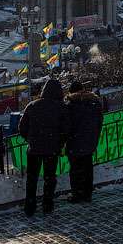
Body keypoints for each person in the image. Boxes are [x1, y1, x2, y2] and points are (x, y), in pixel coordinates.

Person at [18, 79, 71, 216]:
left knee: (32, 178)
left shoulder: (32, 105)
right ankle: (48, 205)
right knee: (49, 178)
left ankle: (29, 207)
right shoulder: (61, 107)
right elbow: (66, 129)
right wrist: (59, 143)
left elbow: (22, 127)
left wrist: (30, 140)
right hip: (51, 149)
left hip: (34, 149)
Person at [64, 82, 103, 204]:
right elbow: (99, 123)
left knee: (75, 171)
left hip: (74, 143)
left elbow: (66, 126)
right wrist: (94, 138)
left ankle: (77, 195)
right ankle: (87, 195)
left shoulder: (70, 105)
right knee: (87, 170)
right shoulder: (95, 103)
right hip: (89, 142)